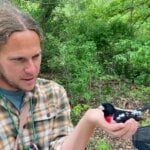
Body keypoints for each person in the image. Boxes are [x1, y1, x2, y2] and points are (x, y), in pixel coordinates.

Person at [0, 2, 139, 150]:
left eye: (35, 56)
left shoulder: (53, 93)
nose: (32, 69)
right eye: (19, 59)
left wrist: (89, 120)